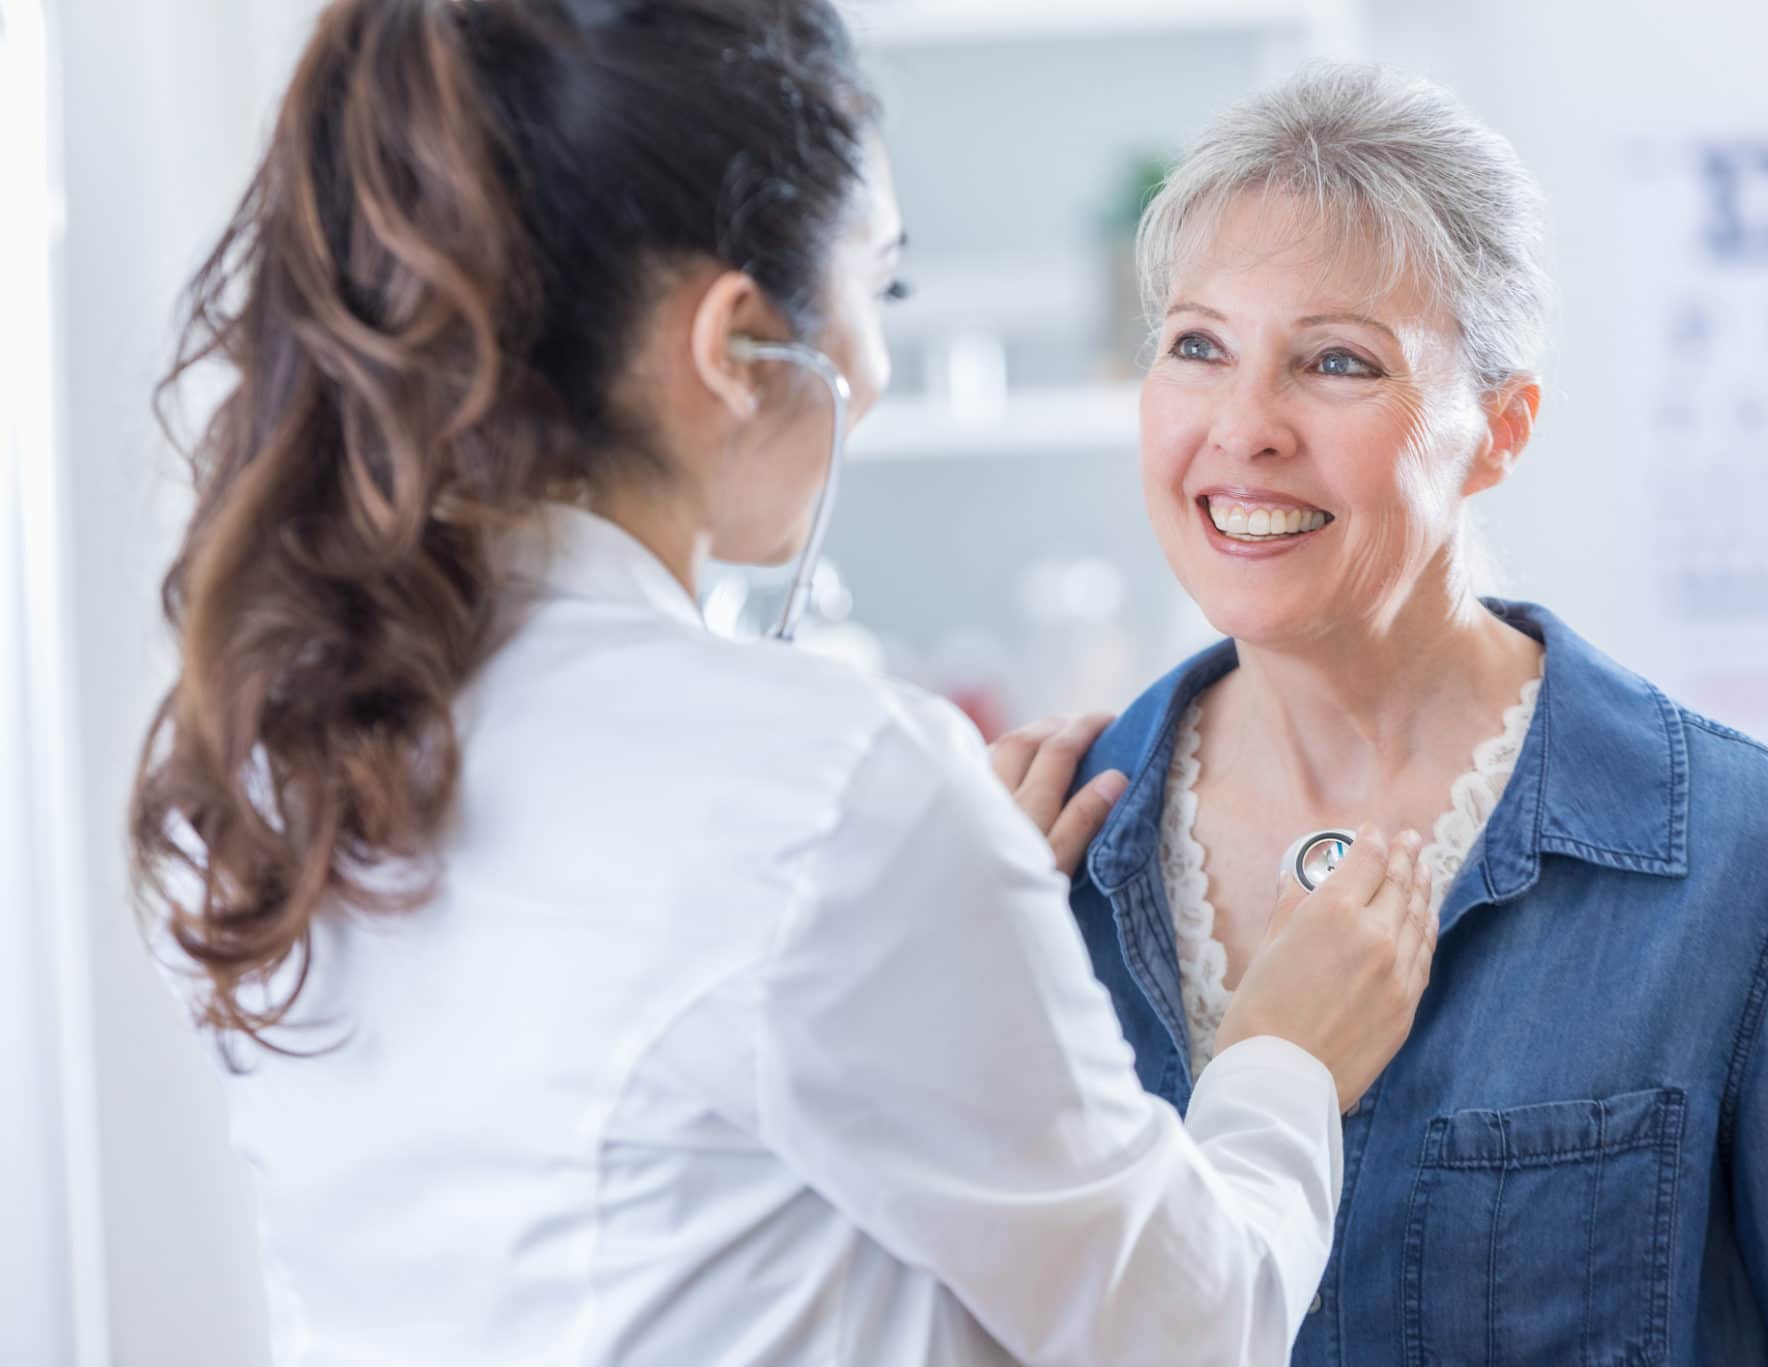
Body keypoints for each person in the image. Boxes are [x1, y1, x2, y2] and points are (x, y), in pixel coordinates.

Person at [128, 5, 1441, 1364]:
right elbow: (1189, 1327)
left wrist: (948, 927)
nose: (867, 373)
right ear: (738, 344)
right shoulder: (827, 792)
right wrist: (1283, 1056)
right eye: (879, 292)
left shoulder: (282, 741)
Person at [1065, 63, 1768, 1367]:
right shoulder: (1033, 866)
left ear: (1496, 431)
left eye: (1334, 362)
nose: (1242, 428)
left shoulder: (1749, 868)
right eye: (1196, 345)